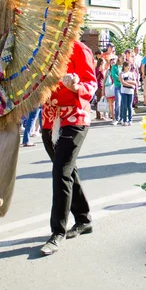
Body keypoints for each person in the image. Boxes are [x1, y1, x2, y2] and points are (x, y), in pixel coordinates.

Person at [40, 40, 96, 256]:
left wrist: (76, 86)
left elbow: (91, 84)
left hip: (74, 117)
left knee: (61, 171)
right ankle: (83, 219)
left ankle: (57, 231)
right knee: (68, 170)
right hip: (49, 119)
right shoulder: (42, 48)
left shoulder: (80, 49)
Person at [119, 61, 136, 126]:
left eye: (129, 66)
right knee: (124, 106)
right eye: (127, 66)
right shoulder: (121, 74)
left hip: (130, 92)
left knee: (130, 106)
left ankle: (130, 119)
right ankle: (124, 119)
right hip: (124, 91)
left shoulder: (132, 74)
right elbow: (123, 82)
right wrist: (130, 84)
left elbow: (135, 82)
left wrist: (127, 82)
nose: (129, 67)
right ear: (124, 66)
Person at [110, 54, 124, 124]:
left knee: (122, 103)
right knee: (118, 102)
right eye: (122, 58)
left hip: (123, 86)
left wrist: (122, 80)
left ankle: (122, 118)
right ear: (119, 58)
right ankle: (116, 118)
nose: (123, 59)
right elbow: (113, 75)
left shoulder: (123, 66)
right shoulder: (114, 67)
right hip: (117, 86)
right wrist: (120, 79)